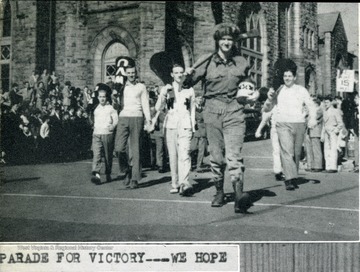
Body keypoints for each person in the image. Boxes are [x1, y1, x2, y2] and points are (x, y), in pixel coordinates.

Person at [186, 23, 259, 213]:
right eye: (223, 39)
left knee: (234, 156)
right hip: (212, 111)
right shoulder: (206, 62)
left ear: (233, 42)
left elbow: (248, 83)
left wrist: (251, 92)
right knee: (217, 157)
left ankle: (238, 196)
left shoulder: (241, 62)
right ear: (218, 41)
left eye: (229, 39)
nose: (226, 42)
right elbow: (188, 83)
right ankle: (219, 191)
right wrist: (187, 74)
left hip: (234, 110)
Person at [263, 60, 317, 190]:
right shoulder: (278, 90)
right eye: (285, 76)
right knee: (287, 151)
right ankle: (289, 179)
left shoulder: (301, 90)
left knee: (296, 153)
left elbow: (310, 105)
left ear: (294, 77)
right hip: (282, 123)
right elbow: (267, 108)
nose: (287, 78)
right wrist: (269, 98)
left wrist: (313, 118)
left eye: (289, 76)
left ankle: (293, 175)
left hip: (299, 123)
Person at [155, 64, 196, 195]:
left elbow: (192, 109)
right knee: (173, 156)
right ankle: (175, 183)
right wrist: (162, 94)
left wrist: (193, 125)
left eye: (181, 72)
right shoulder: (167, 89)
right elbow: (158, 108)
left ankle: (184, 183)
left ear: (184, 74)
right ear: (172, 75)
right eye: (176, 72)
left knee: (184, 154)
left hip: (185, 124)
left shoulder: (189, 89)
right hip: (171, 125)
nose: (179, 75)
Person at [114, 61, 151, 189]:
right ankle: (126, 170)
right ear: (125, 74)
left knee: (136, 149)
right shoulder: (121, 86)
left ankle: (135, 178)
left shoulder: (141, 87)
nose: (131, 75)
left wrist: (149, 120)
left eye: (133, 73)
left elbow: (145, 104)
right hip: (123, 117)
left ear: (136, 73)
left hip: (137, 117)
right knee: (119, 148)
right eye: (129, 73)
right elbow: (116, 104)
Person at [91, 83, 118, 185]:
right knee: (96, 154)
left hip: (107, 133)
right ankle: (96, 174)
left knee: (108, 156)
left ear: (106, 98)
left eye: (104, 97)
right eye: (100, 97)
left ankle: (108, 173)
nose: (102, 99)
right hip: (97, 134)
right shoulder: (96, 108)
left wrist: (113, 126)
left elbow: (116, 120)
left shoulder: (111, 108)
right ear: (98, 97)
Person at [255, 105, 286, 181]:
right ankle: (278, 172)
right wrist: (258, 130)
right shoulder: (273, 106)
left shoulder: (288, 105)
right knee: (276, 151)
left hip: (286, 130)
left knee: (286, 151)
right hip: (275, 130)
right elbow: (265, 119)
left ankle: (287, 171)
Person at [321, 95, 344, 173]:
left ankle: (333, 167)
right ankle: (328, 167)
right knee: (326, 149)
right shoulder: (325, 111)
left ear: (331, 102)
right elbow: (324, 124)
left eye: (327, 102)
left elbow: (340, 123)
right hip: (326, 132)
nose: (325, 104)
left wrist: (335, 130)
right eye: (324, 102)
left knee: (333, 149)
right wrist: (322, 134)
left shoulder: (335, 111)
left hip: (333, 132)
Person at [304, 98, 324, 172]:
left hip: (316, 131)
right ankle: (312, 165)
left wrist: (308, 114)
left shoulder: (319, 110)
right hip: (311, 131)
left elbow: (314, 118)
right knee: (311, 149)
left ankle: (318, 166)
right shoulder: (312, 111)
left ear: (316, 104)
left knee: (316, 149)